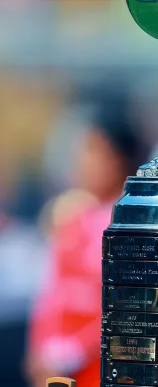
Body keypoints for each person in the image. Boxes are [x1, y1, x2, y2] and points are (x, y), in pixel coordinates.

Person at [25, 107, 146, 387]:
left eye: (94, 150)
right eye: (82, 151)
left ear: (120, 157)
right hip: (54, 366)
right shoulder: (72, 218)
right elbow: (51, 292)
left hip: (101, 365)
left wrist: (74, 352)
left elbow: (125, 305)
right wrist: (40, 349)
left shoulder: (129, 225)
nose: (84, 161)